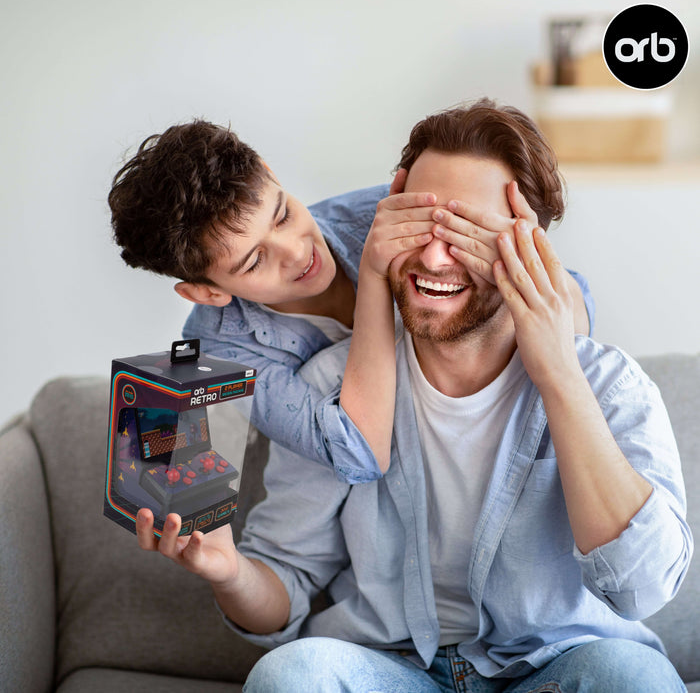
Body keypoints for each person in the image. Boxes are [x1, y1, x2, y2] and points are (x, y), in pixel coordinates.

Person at [136, 99, 691, 691]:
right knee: (290, 676)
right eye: (422, 227)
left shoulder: (608, 382)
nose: (433, 254)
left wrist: (555, 365)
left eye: (466, 232)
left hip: (555, 666)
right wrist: (228, 572)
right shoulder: (317, 388)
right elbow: (326, 507)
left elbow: (643, 590)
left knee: (634, 675)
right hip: (394, 669)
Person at [109, 118, 593, 485]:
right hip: (313, 504)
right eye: (254, 261)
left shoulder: (383, 211)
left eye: (282, 215)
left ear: (272, 175)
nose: (298, 252)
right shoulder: (217, 348)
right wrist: (375, 275)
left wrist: (525, 252)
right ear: (208, 292)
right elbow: (360, 456)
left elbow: (577, 315)